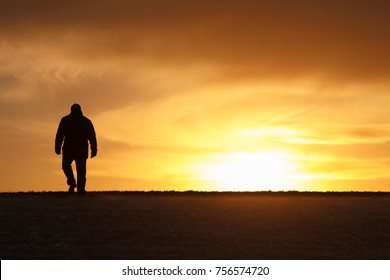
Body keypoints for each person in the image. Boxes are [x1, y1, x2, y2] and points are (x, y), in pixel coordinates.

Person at [55, 104, 97, 194]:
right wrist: (57, 147)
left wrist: (94, 149)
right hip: (70, 148)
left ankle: (80, 189)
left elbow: (92, 136)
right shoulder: (66, 120)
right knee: (67, 167)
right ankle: (73, 183)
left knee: (80, 171)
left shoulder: (85, 122)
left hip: (78, 149)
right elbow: (60, 135)